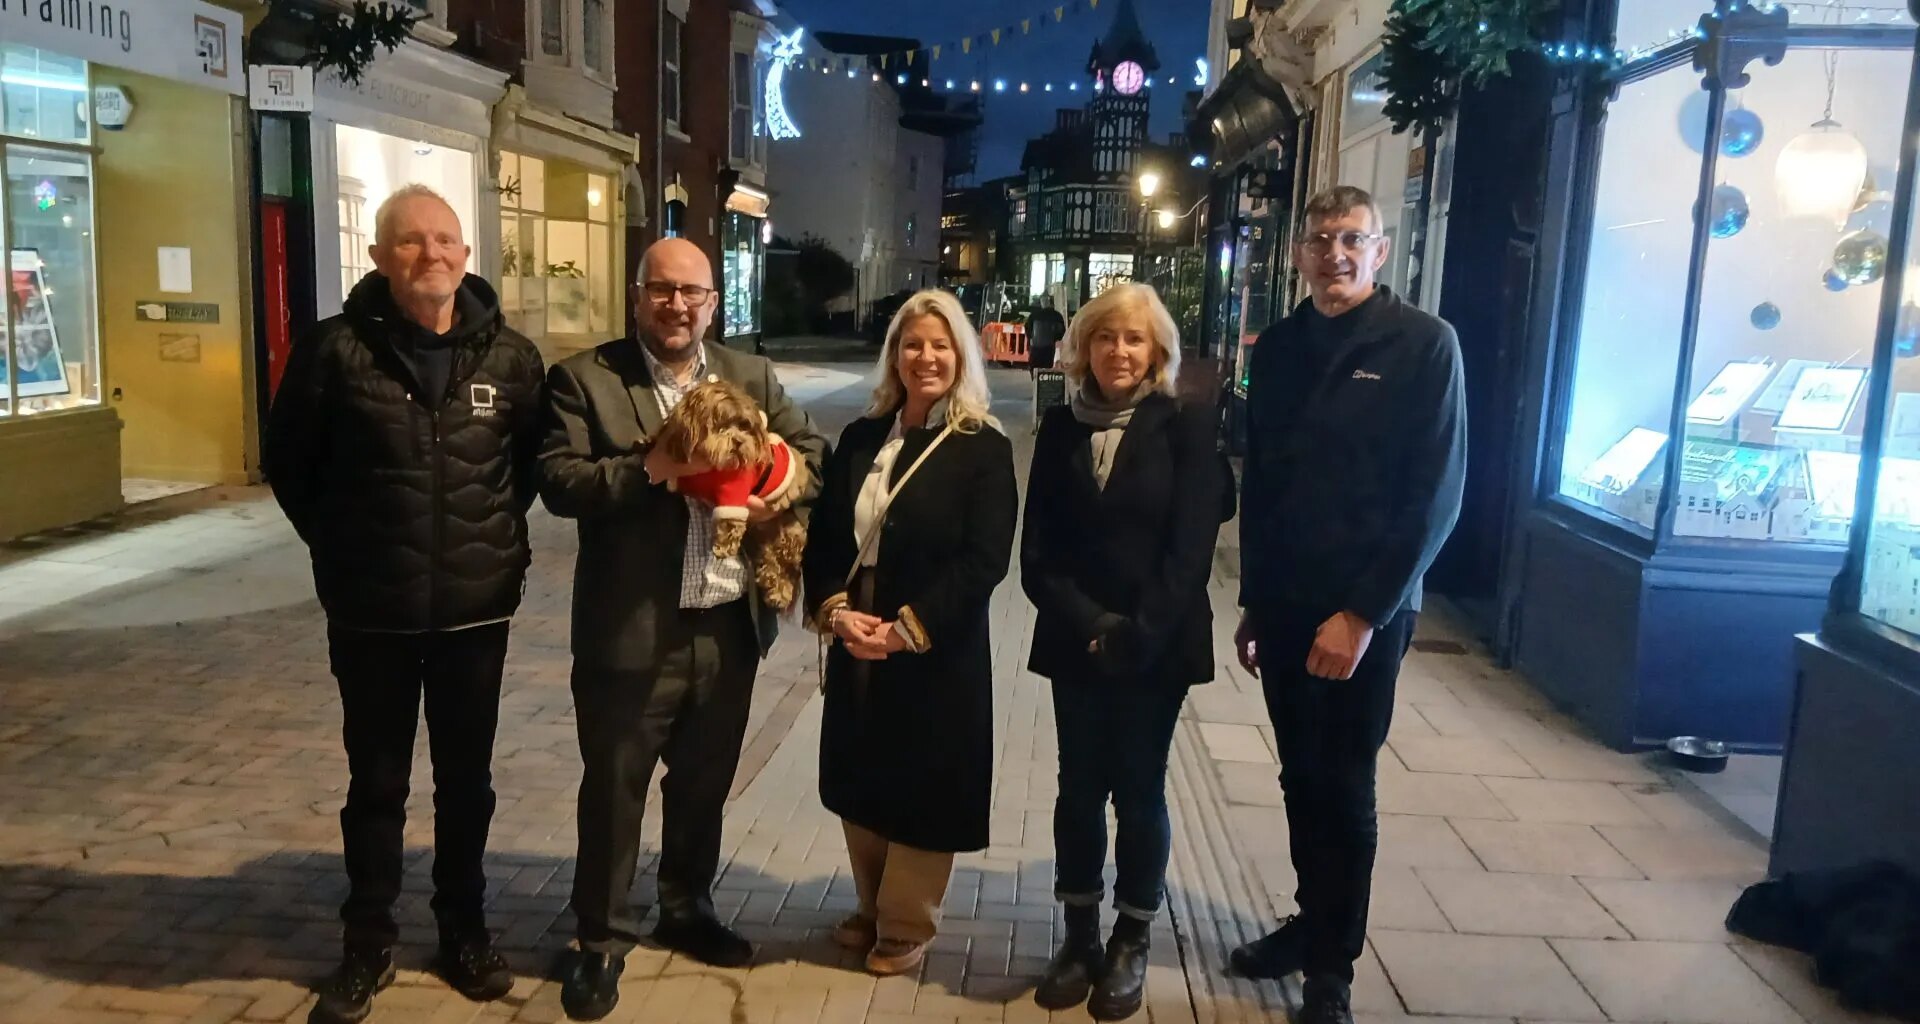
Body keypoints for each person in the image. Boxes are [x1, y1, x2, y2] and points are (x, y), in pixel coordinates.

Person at [264, 184, 546, 1024]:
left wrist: (485, 543)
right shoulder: (334, 350)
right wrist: (344, 545)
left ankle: (464, 931)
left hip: (473, 613)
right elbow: (291, 465)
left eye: (445, 240)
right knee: (376, 783)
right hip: (370, 612)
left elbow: (524, 470)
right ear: (382, 256)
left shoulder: (513, 359)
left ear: (466, 254)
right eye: (411, 242)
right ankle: (367, 943)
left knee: (468, 785)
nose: (431, 255)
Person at [538, 237, 827, 1022]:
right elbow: (559, 481)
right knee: (615, 791)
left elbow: (811, 452)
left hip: (728, 628)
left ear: (712, 302)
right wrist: (652, 472)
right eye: (661, 290)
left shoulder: (750, 375)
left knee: (702, 787)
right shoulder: (586, 379)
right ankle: (599, 940)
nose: (677, 305)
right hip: (630, 632)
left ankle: (686, 907)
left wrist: (776, 488)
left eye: (692, 292)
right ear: (638, 296)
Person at [1227, 186, 1467, 1024]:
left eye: (1352, 239)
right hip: (1287, 609)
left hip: (1367, 618)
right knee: (1300, 777)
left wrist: (1363, 614)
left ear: (1382, 248)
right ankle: (1308, 921)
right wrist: (1256, 601)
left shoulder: (1424, 346)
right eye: (1321, 239)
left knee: (1345, 784)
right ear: (1299, 252)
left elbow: (1434, 498)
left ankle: (1334, 967)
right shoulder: (1284, 345)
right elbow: (1265, 482)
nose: (1336, 254)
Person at [1020, 283, 1223, 1021]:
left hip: (1155, 647)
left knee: (1138, 789)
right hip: (1079, 641)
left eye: (1134, 339)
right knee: (1078, 788)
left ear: (1157, 351)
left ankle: (1132, 937)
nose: (1118, 351)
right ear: (1084, 349)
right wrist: (1091, 622)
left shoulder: (1188, 429)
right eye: (1105, 338)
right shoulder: (1060, 428)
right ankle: (1079, 937)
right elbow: (1037, 554)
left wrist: (1137, 629)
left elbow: (1190, 551)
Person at [802, 289, 1017, 978]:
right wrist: (834, 608)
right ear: (894, 354)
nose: (926, 357)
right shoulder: (864, 436)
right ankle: (870, 904)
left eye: (941, 345)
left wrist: (906, 631)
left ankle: (905, 921)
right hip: (857, 625)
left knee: (925, 777)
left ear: (962, 356)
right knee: (861, 768)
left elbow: (985, 559)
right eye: (913, 344)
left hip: (934, 642)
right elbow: (829, 534)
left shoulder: (982, 446)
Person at [1026, 294, 1066, 372]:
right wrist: (1055, 339)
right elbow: (1061, 331)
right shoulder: (1057, 315)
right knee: (1047, 367)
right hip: (1049, 347)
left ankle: (1035, 380)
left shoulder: (1034, 315)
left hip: (1036, 347)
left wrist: (1030, 338)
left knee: (1034, 366)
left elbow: (1028, 329)